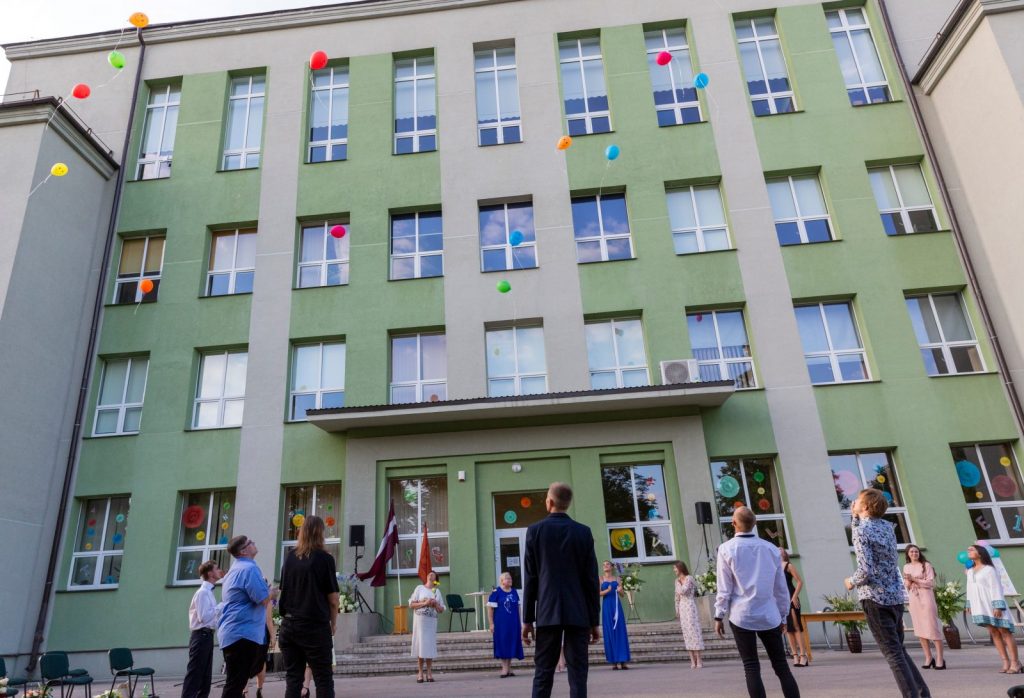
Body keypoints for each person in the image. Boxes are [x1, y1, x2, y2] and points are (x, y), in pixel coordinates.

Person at [844, 489, 930, 698]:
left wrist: (851, 581)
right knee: (899, 650)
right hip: (894, 597)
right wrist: (854, 517)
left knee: (893, 654)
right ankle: (922, 693)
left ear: (865, 507)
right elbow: (862, 532)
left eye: (858, 500)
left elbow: (865, 569)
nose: (854, 502)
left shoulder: (862, 531)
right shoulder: (886, 527)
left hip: (875, 598)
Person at [522, 482, 600, 698]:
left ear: (549, 502)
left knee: (543, 673)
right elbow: (591, 580)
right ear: (568, 503)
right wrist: (594, 621)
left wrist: (527, 619)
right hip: (578, 614)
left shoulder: (535, 531)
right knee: (578, 675)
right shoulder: (583, 532)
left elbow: (531, 578)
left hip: (547, 613)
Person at [714, 506, 799, 698]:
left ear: (733, 523)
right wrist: (783, 616)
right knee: (782, 666)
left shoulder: (726, 549)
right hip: (769, 615)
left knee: (751, 666)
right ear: (755, 524)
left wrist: (718, 615)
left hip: (741, 615)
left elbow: (724, 588)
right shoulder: (771, 549)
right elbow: (781, 588)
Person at [278, 516, 340, 698]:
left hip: (289, 625)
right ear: (320, 533)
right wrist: (333, 623)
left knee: (293, 679)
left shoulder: (290, 557)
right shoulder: (325, 559)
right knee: (323, 678)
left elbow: (284, 589)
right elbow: (333, 599)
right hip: (314, 626)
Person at [218, 536, 271, 698]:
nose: (254, 543)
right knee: (235, 684)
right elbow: (262, 599)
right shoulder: (249, 569)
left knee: (236, 682)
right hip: (242, 634)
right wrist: (273, 593)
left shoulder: (235, 569)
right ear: (243, 551)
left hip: (233, 632)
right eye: (250, 543)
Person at [966, 544, 1020, 673]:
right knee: (994, 632)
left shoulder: (989, 570)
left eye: (972, 549)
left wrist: (997, 606)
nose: (968, 551)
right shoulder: (970, 571)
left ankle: (1015, 662)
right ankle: (1005, 661)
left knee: (1004, 632)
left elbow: (996, 588)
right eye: (968, 550)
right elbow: (969, 588)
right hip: (981, 606)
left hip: (992, 604)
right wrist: (968, 604)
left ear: (980, 553)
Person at [182, 560, 223, 698]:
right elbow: (205, 617)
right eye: (217, 568)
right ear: (210, 573)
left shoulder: (208, 592)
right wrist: (221, 606)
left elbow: (212, 619)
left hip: (207, 636)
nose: (219, 571)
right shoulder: (203, 593)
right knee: (195, 676)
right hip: (201, 637)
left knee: (205, 678)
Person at [903, 545, 945, 670]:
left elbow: (930, 583)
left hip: (926, 596)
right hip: (914, 597)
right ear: (908, 554)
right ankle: (928, 657)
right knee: (919, 628)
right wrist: (909, 581)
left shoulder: (926, 565)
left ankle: (940, 658)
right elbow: (906, 585)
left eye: (916, 551)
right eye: (911, 552)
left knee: (932, 627)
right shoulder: (906, 566)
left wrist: (914, 579)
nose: (914, 553)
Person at [409, 570, 445, 683]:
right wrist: (424, 603)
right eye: (429, 573)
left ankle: (429, 673)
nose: (430, 574)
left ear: (435, 580)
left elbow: (441, 610)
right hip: (420, 621)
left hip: (431, 622)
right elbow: (411, 604)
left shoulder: (437, 591)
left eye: (433, 574)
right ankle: (420, 673)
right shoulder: (419, 588)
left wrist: (435, 604)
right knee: (421, 646)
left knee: (429, 646)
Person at [488, 571, 524, 678]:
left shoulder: (514, 591)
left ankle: (509, 668)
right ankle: (504, 668)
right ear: (502, 581)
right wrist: (491, 623)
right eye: (507, 578)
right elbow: (490, 609)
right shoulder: (496, 592)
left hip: (513, 623)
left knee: (511, 643)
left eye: (511, 578)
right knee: (503, 643)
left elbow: (518, 607)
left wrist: (520, 622)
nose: (510, 580)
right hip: (501, 624)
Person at [779, 548, 808, 668]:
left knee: (796, 627)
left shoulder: (788, 566)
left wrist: (795, 596)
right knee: (787, 628)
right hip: (782, 600)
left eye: (780, 549)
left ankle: (803, 655)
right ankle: (795, 655)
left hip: (791, 598)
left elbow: (799, 582)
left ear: (784, 554)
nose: (777, 551)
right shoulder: (774, 567)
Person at [599, 561, 631, 670]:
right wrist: (607, 590)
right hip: (607, 607)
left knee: (620, 631)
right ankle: (613, 662)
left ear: (612, 567)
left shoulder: (617, 579)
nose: (605, 566)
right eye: (603, 565)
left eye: (607, 564)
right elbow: (598, 593)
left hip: (617, 607)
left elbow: (622, 595)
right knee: (609, 632)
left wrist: (621, 590)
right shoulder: (601, 579)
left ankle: (623, 661)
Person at [673, 561, 704, 669]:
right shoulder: (676, 581)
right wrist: (677, 609)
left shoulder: (689, 578)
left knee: (694, 632)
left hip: (690, 607)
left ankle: (699, 658)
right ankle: (692, 659)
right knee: (686, 633)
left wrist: (679, 584)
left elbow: (683, 591)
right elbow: (676, 597)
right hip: (682, 608)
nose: (674, 570)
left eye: (675, 568)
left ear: (680, 568)